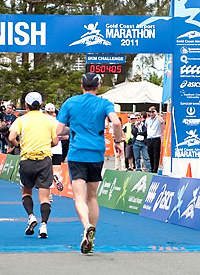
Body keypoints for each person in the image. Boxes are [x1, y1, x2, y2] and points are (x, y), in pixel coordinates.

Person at [55, 73, 123, 255]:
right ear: (98, 86)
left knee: (78, 197)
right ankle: (92, 234)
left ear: (81, 85)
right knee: (92, 197)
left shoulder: (70, 103)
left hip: (77, 153)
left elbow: (59, 130)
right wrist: (118, 141)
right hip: (96, 154)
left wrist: (75, 128)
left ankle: (86, 226)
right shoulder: (104, 103)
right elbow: (116, 123)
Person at [9, 92, 58, 238]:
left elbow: (11, 137)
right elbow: (55, 141)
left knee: (26, 192)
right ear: (41, 104)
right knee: (44, 197)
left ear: (26, 105)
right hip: (44, 160)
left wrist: (20, 145)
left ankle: (31, 216)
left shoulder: (21, 120)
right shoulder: (50, 120)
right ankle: (44, 226)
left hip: (27, 160)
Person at [44, 103, 65, 191]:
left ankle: (49, 193)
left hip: (47, 149)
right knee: (56, 170)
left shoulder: (43, 122)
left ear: (45, 112)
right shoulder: (58, 122)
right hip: (57, 149)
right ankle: (57, 179)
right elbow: (65, 134)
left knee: (46, 172)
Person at [145, 106, 164, 173]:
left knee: (156, 155)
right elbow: (146, 127)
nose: (151, 113)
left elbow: (161, 121)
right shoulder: (147, 120)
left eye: (152, 112)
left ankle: (155, 170)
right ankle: (152, 168)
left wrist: (157, 114)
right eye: (150, 112)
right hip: (149, 138)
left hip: (156, 138)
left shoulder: (158, 118)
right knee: (150, 154)